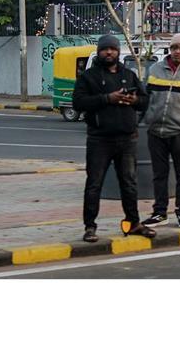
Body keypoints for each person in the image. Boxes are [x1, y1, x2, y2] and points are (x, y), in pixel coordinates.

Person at [71, 34, 156, 243]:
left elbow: (145, 101)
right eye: (105, 49)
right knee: (94, 184)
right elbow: (78, 102)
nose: (109, 52)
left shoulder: (128, 75)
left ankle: (134, 222)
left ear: (118, 52)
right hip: (99, 139)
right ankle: (90, 227)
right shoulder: (88, 77)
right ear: (99, 51)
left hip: (127, 138)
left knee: (129, 183)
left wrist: (134, 99)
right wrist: (107, 98)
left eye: (113, 49)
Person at [141, 33, 180, 229]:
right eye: (174, 47)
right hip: (156, 132)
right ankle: (160, 212)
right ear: (170, 49)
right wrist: (139, 122)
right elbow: (144, 98)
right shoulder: (154, 70)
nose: (177, 51)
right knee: (159, 173)